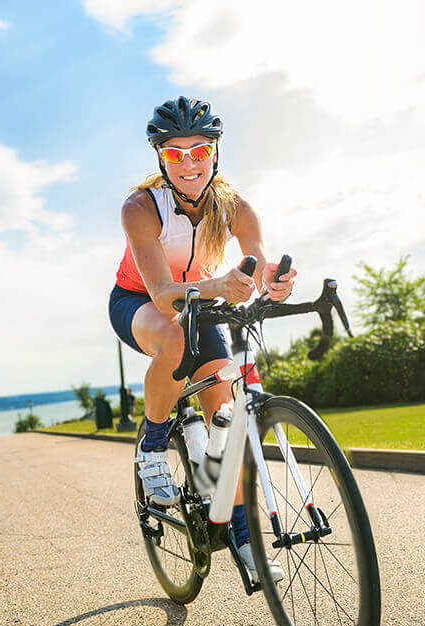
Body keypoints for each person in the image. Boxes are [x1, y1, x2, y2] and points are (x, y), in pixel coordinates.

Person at [108, 96, 296, 583]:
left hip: (202, 307)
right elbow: (166, 295)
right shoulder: (141, 208)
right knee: (172, 337)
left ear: (215, 153)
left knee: (226, 416)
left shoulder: (235, 207)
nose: (188, 163)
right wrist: (217, 285)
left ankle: (240, 534)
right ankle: (151, 448)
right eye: (175, 154)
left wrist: (273, 280)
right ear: (160, 159)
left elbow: (256, 262)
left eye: (198, 151)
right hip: (141, 303)